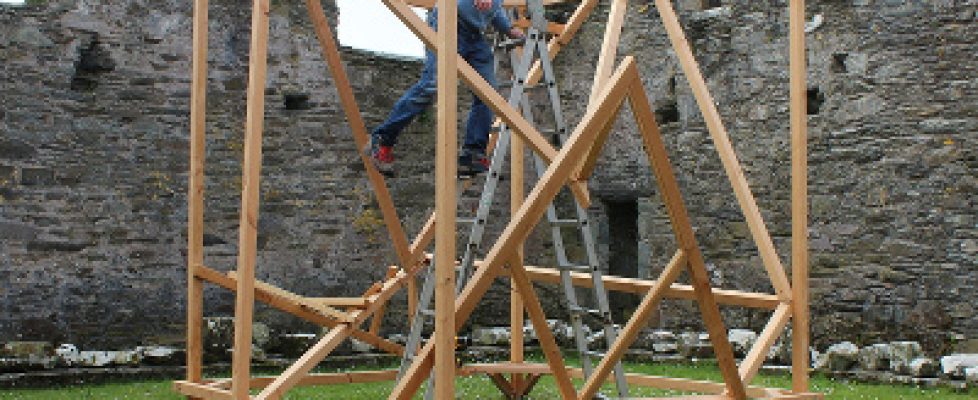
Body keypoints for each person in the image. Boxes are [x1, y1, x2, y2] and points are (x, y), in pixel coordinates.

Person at [366, 0, 524, 176]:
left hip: (473, 35)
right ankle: (384, 139)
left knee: (487, 93)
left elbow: (494, 8)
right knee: (432, 85)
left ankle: (472, 153)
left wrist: (508, 29)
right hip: (448, 21)